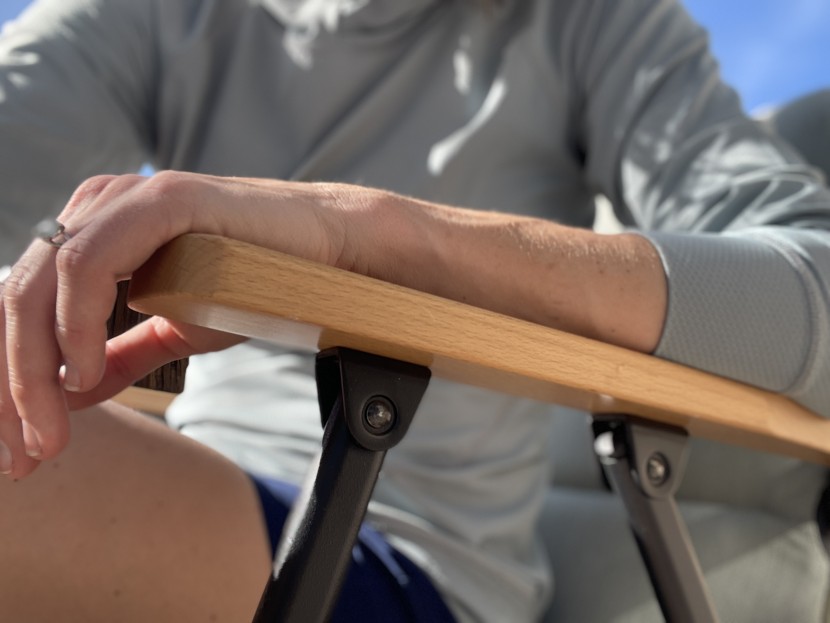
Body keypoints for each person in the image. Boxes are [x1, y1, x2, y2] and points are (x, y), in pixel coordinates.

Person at [1, 1, 829, 621]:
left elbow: (815, 281)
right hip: (190, 482)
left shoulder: (590, 22)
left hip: (388, 555)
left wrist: (367, 234)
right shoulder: (154, 16)